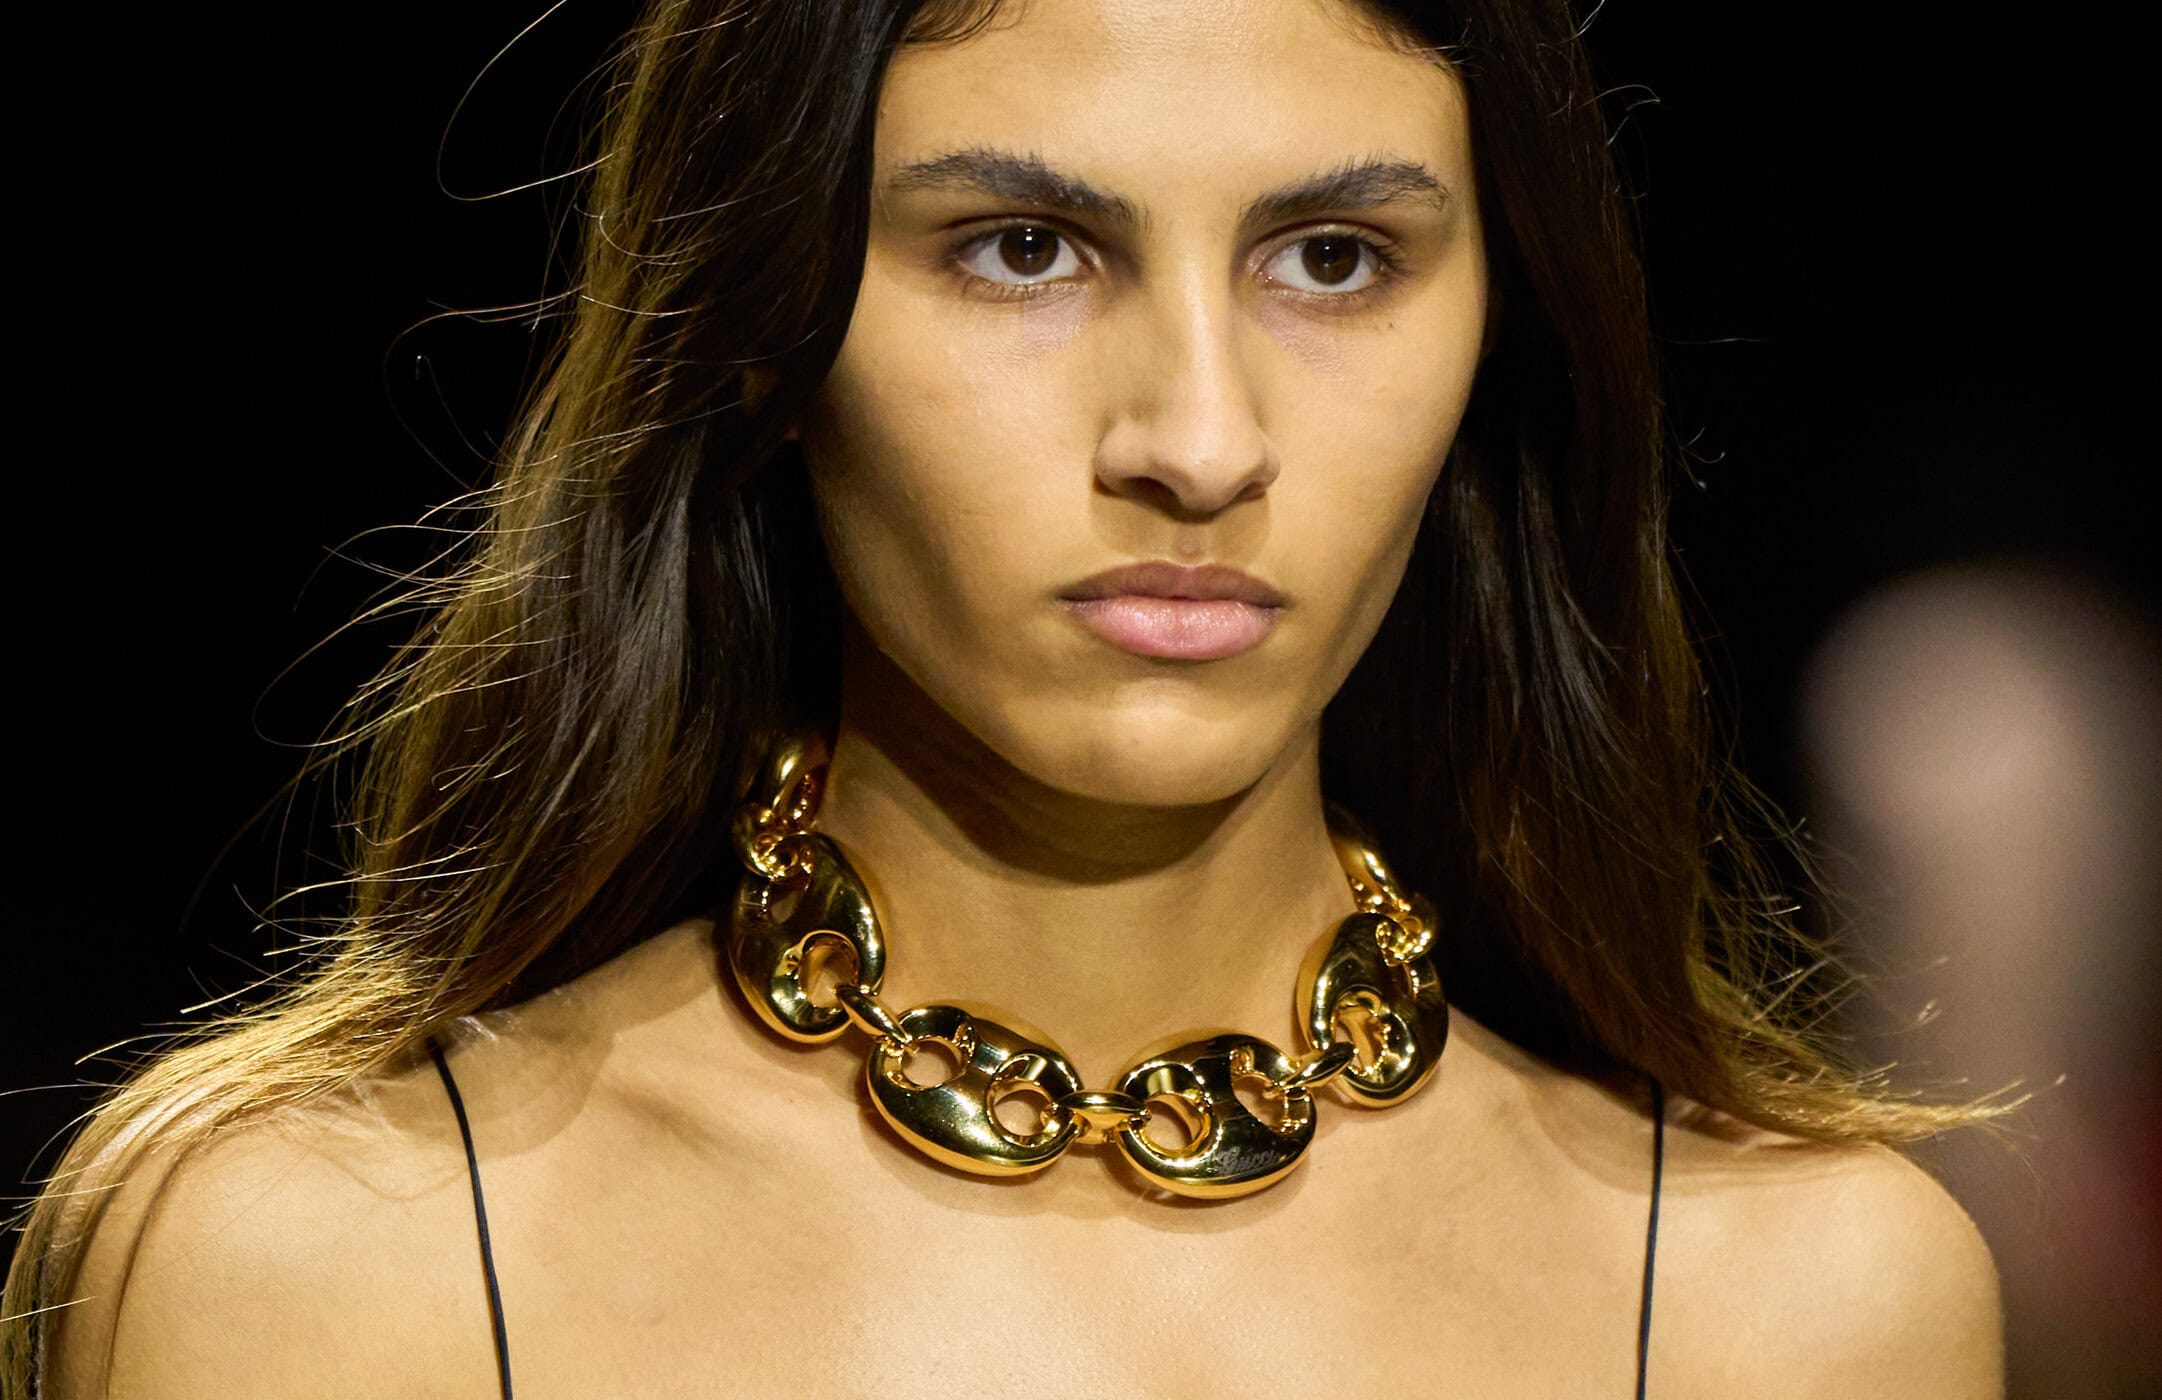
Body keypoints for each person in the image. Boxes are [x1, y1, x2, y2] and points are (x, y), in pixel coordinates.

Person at [4, 1, 2020, 1395]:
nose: (1198, 441)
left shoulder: (1798, 1304)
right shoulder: (328, 1263)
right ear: (763, 324)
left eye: (1332, 259)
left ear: (1503, 332)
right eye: (1025, 248)